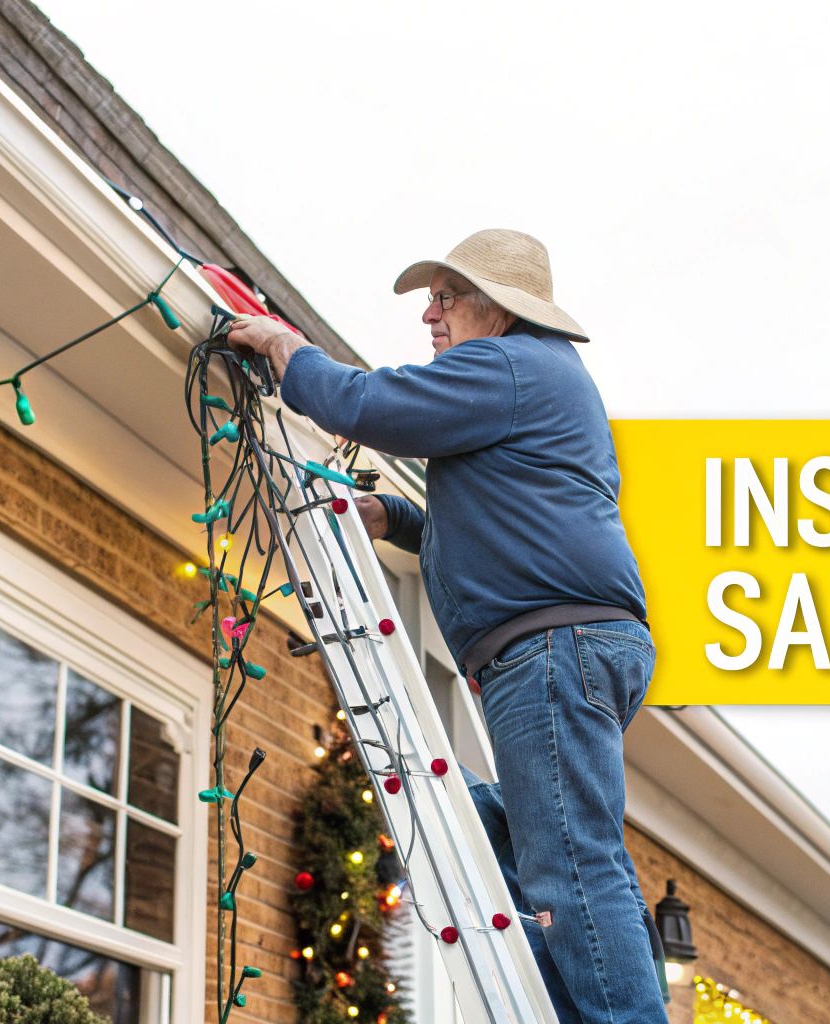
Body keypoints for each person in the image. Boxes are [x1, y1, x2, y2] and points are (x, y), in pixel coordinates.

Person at [227, 229, 668, 1022]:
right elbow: (487, 525)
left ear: (496, 309)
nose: (429, 316)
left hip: (549, 647)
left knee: (570, 865)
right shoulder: (535, 383)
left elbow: (367, 405)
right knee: (528, 842)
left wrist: (288, 348)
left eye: (445, 297)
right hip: (566, 642)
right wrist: (390, 515)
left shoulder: (507, 365)